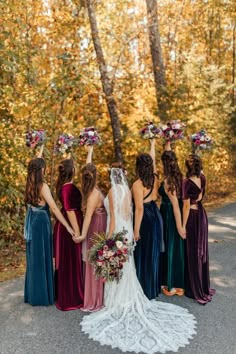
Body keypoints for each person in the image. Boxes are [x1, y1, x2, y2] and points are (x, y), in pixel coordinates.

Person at [80, 164, 196, 354]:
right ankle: (128, 295)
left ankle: (116, 299)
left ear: (112, 176)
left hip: (117, 231)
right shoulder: (126, 190)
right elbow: (130, 213)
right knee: (127, 266)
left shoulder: (112, 192)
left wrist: (108, 239)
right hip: (127, 231)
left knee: (117, 265)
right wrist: (132, 233)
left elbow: (114, 218)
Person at [24, 156, 74, 306]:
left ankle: (33, 293)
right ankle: (41, 296)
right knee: (42, 256)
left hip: (32, 220)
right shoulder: (42, 186)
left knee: (34, 256)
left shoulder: (29, 184)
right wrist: (67, 225)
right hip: (41, 223)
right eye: (43, 167)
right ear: (41, 169)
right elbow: (53, 208)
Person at [73, 146, 106, 311]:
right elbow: (89, 169)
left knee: (94, 261)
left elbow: (87, 217)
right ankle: (93, 294)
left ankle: (95, 299)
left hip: (95, 228)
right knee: (93, 261)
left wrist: (82, 235)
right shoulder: (94, 188)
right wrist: (90, 151)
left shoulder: (93, 195)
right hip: (96, 224)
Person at [132, 139, 164, 299]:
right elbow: (154, 161)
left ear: (138, 167)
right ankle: (153, 287)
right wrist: (153, 144)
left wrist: (135, 230)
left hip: (145, 217)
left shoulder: (137, 184)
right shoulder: (155, 177)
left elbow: (138, 209)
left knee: (143, 251)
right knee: (153, 251)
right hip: (156, 213)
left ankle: (144, 288)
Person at [183, 154, 215, 304]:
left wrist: (182, 225)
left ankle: (194, 288)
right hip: (202, 215)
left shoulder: (186, 182)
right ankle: (203, 286)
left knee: (193, 252)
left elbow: (186, 206)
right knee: (201, 250)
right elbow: (201, 197)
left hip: (192, 217)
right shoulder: (202, 178)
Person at [53, 158, 84, 311]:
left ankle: (69, 293)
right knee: (71, 260)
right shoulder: (67, 188)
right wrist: (77, 232)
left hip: (67, 224)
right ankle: (71, 297)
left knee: (70, 260)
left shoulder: (65, 186)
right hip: (70, 227)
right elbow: (70, 210)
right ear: (72, 170)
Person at [159, 142, 185, 296]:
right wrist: (167, 143)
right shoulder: (178, 175)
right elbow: (169, 156)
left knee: (170, 245)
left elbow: (175, 205)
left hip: (170, 214)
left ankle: (171, 284)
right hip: (170, 212)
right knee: (174, 246)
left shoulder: (169, 180)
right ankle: (177, 282)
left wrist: (180, 226)